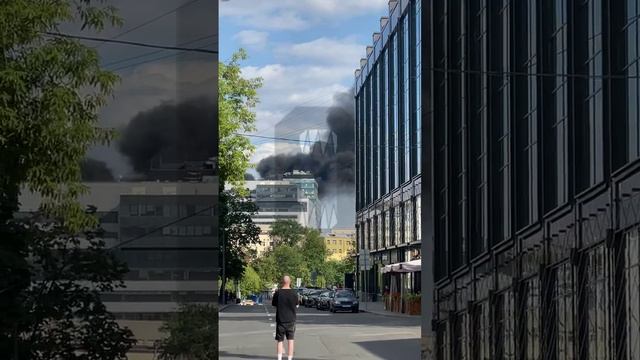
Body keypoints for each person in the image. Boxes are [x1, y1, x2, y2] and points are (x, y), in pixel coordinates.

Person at [272, 275, 299, 360]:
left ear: (282, 282)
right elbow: (297, 305)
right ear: (290, 282)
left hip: (280, 320)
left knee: (280, 340)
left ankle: (279, 358)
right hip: (291, 320)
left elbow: (274, 305)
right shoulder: (294, 293)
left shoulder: (278, 292)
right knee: (291, 340)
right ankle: (289, 358)